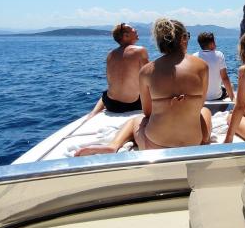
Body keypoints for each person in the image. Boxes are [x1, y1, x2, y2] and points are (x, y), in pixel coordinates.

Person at [76, 18, 211, 155]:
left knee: (136, 120)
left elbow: (147, 112)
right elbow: (199, 105)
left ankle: (113, 146)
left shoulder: (147, 71)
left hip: (155, 145)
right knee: (205, 111)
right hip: (194, 142)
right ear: (183, 38)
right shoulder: (202, 66)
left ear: (159, 42)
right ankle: (205, 140)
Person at [87, 22, 149, 118]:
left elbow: (109, 81)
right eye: (133, 29)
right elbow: (150, 76)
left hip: (111, 105)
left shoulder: (110, 54)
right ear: (126, 35)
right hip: (133, 104)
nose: (136, 30)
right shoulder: (139, 51)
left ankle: (93, 113)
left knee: (107, 92)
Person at [194, 31, 235, 101]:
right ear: (212, 44)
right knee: (232, 86)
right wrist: (233, 98)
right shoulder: (219, 55)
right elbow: (224, 78)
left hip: (201, 97)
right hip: (217, 96)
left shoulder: (194, 57)